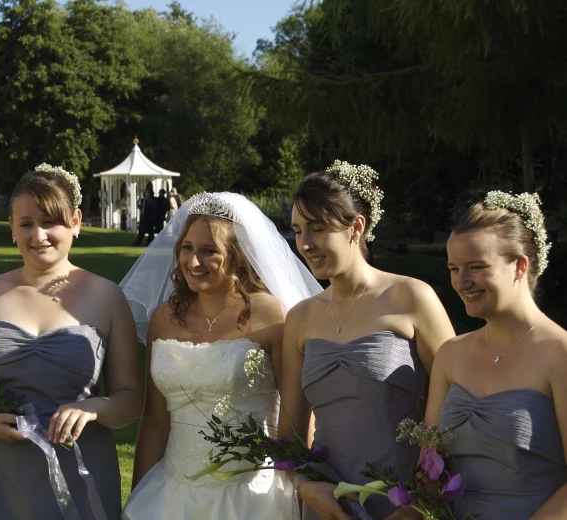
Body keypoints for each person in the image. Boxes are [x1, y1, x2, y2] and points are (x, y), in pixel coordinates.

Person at [121, 192, 324, 520]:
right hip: (173, 494)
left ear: (238, 256)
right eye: (187, 248)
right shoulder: (164, 318)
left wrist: (305, 499)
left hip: (252, 497)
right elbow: (155, 422)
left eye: (208, 251)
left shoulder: (273, 318)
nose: (193, 262)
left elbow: (296, 422)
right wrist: (138, 496)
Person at [0, 165, 142, 520]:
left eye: (50, 221)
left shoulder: (107, 297)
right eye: (26, 223)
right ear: (11, 227)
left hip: (81, 470)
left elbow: (132, 401)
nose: (38, 235)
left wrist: (96, 407)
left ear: (75, 221)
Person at [279, 161, 455, 520]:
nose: (306, 244)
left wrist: (423, 499)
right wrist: (305, 486)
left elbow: (459, 402)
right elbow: (290, 435)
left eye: (317, 229)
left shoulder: (412, 297)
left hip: (407, 506)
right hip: (329, 508)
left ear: (355, 227)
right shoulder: (300, 318)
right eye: (298, 231)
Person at [424, 192, 567, 519]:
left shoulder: (560, 354)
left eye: (476, 267)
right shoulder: (450, 354)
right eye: (453, 268)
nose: (461, 282)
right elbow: (429, 467)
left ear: (519, 266)